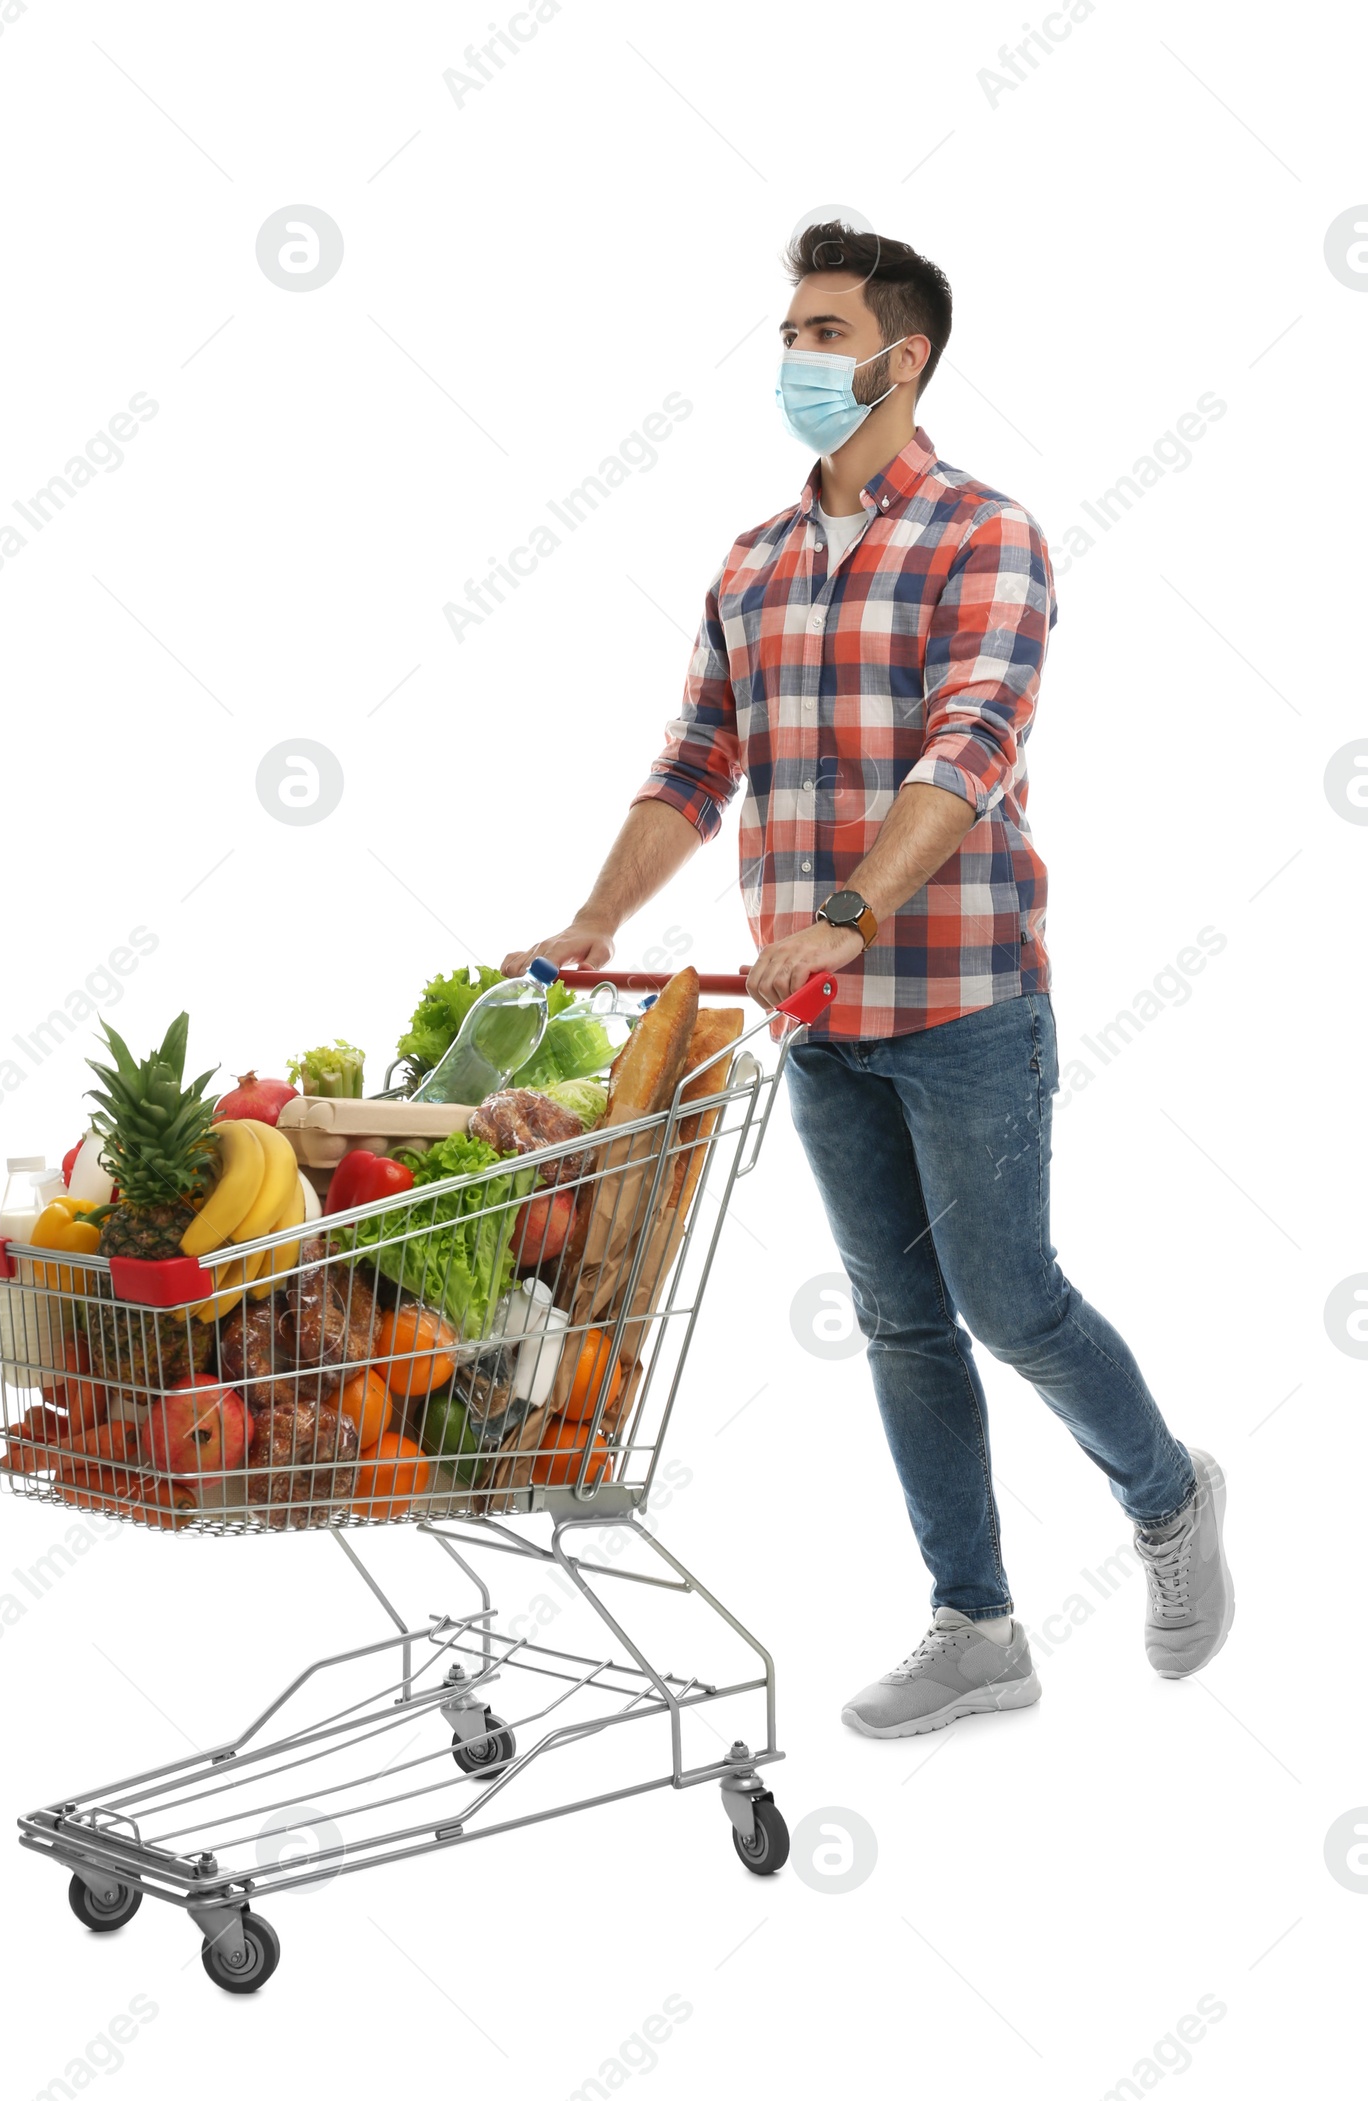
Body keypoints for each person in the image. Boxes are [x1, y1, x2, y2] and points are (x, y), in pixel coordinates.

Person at [503, 220, 1233, 1739]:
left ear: (906, 358)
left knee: (1010, 1301)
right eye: (790, 331)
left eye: (826, 332)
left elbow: (973, 743)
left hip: (964, 1005)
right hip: (822, 1031)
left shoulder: (987, 536)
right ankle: (974, 1622)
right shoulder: (754, 562)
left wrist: (843, 910)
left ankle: (1168, 1495)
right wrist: (593, 914)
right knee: (900, 1323)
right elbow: (696, 765)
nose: (797, 359)